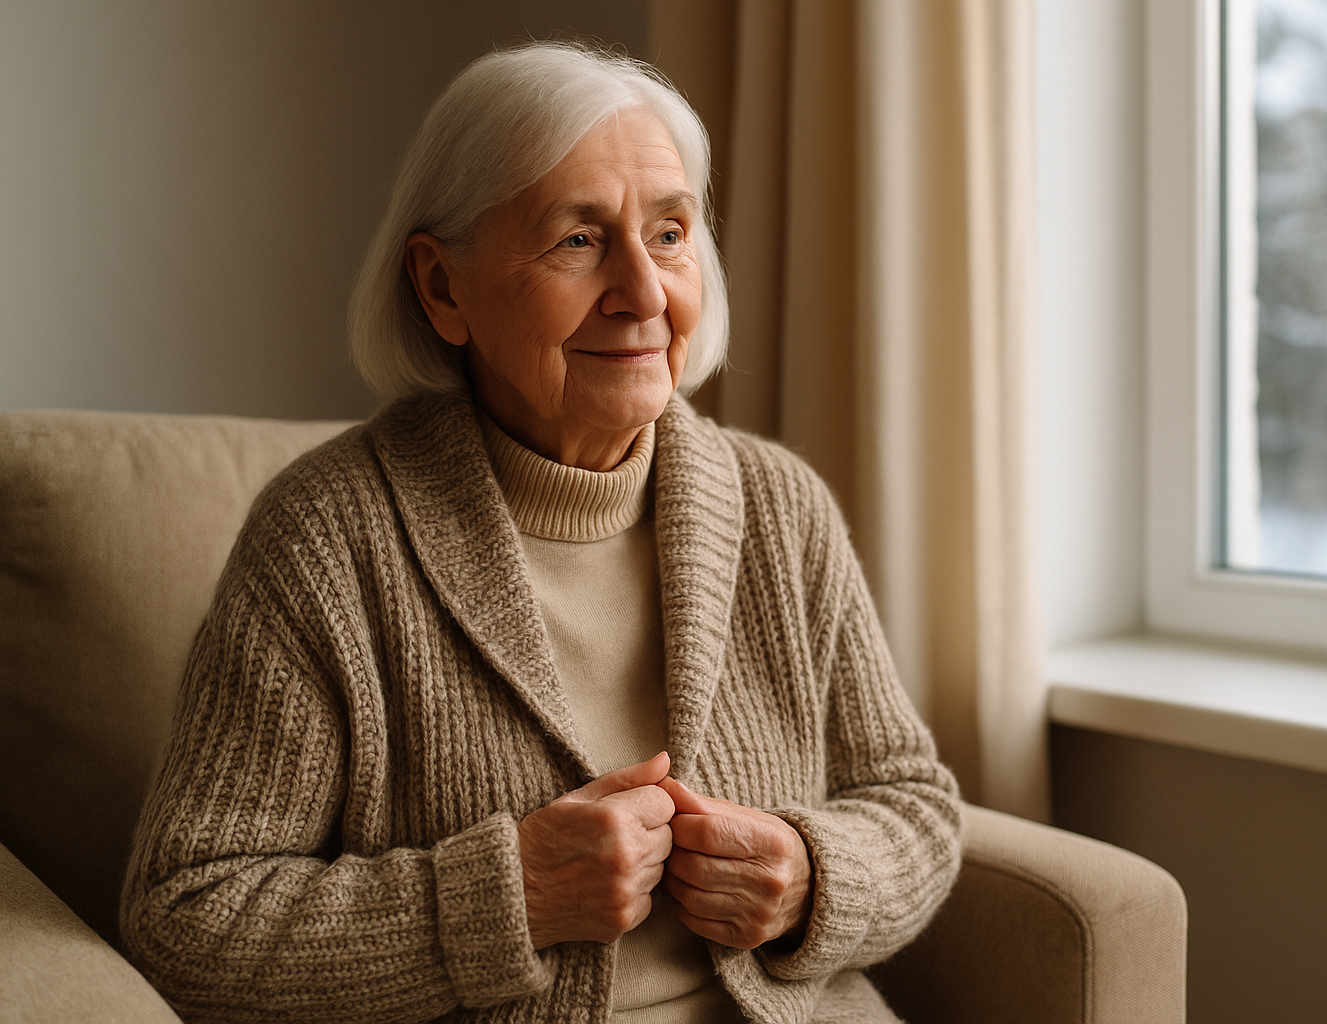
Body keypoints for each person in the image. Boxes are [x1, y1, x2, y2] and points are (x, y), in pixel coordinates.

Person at [121, 42, 961, 1024]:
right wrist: (507, 897)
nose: (645, 294)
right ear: (443, 290)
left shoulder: (781, 505)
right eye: (578, 240)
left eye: (672, 233)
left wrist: (814, 873)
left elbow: (915, 803)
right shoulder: (325, 542)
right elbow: (189, 916)